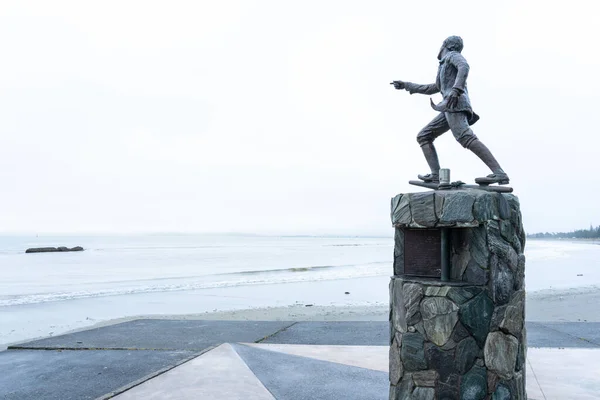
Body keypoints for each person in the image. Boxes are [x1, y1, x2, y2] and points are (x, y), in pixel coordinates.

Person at [392, 36, 509, 185]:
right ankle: (435, 175)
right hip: (448, 106)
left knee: (466, 137)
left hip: (455, 103)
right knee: (424, 136)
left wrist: (456, 90)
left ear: (446, 45)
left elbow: (464, 66)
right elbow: (433, 88)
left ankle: (499, 174)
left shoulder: (452, 56)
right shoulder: (443, 64)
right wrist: (406, 85)